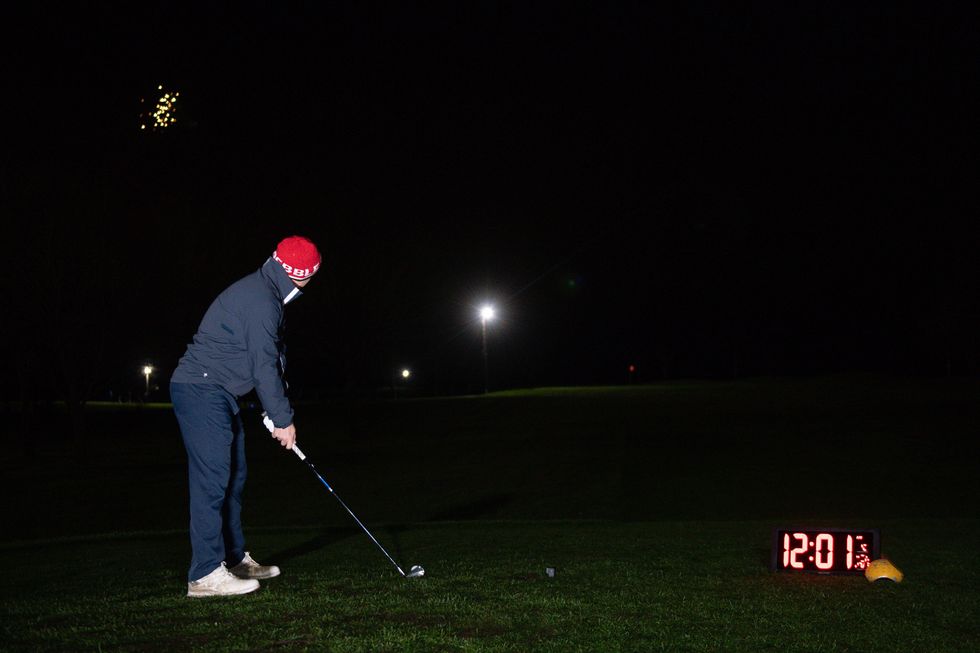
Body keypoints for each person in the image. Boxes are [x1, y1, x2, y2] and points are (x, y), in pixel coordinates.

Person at [170, 235, 321, 597]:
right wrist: (283, 419)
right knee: (213, 478)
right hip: (200, 389)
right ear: (302, 276)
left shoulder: (265, 293)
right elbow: (264, 366)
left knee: (234, 475)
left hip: (219, 392)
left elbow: (267, 362)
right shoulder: (262, 301)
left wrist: (273, 412)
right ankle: (204, 573)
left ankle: (233, 559)